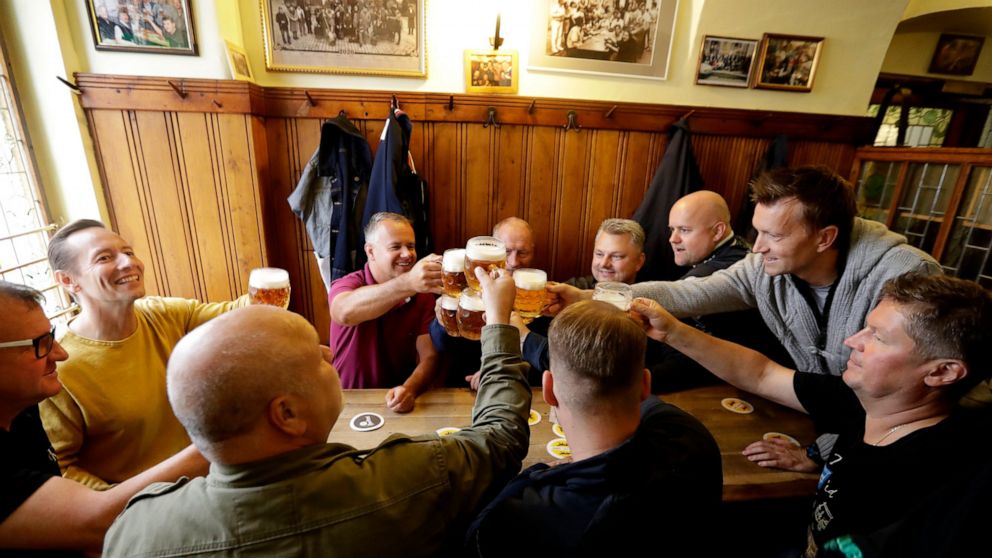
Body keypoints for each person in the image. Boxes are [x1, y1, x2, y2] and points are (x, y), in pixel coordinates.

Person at [102, 268, 531, 558]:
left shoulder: (135, 531)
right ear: (286, 414)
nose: (329, 354)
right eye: (314, 356)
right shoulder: (407, 477)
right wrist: (498, 322)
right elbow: (502, 438)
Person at [550, 166, 941, 463]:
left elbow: (918, 397)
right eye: (757, 232)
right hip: (823, 422)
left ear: (825, 238)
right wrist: (589, 296)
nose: (756, 248)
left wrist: (820, 455)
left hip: (903, 453)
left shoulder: (905, 277)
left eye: (774, 236)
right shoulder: (762, 269)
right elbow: (689, 293)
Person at [632, 273, 992, 558]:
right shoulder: (865, 402)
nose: (853, 341)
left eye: (879, 338)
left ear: (942, 372)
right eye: (866, 327)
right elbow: (760, 374)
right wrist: (672, 331)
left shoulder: (947, 481)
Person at [464, 299, 722, 556]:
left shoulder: (519, 517)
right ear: (645, 384)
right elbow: (605, 376)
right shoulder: (690, 436)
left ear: (548, 390)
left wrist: (543, 470)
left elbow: (475, 534)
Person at [0, 281, 207, 556]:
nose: (60, 353)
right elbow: (96, 521)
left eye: (52, 336)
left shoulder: (23, 407)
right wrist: (215, 448)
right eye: (41, 344)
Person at [39, 219, 244, 490]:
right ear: (67, 280)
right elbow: (61, 468)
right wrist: (122, 502)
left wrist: (268, 287)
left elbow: (240, 314)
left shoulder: (165, 314)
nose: (128, 263)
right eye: (104, 258)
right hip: (137, 506)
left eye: (128, 252)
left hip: (208, 483)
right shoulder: (60, 366)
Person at [329, 212, 441, 412]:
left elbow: (429, 356)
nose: (407, 254)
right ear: (370, 252)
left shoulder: (421, 294)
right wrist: (408, 283)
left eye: (411, 246)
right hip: (347, 403)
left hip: (396, 405)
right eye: (396, 247)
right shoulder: (348, 284)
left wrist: (410, 389)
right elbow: (344, 312)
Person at [430, 217, 537, 387]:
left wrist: (498, 371)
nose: (514, 262)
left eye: (522, 253)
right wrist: (441, 322)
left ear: (533, 252)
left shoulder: (536, 297)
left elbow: (544, 360)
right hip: (460, 389)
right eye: (507, 252)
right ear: (493, 254)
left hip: (516, 386)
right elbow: (441, 345)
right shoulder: (465, 291)